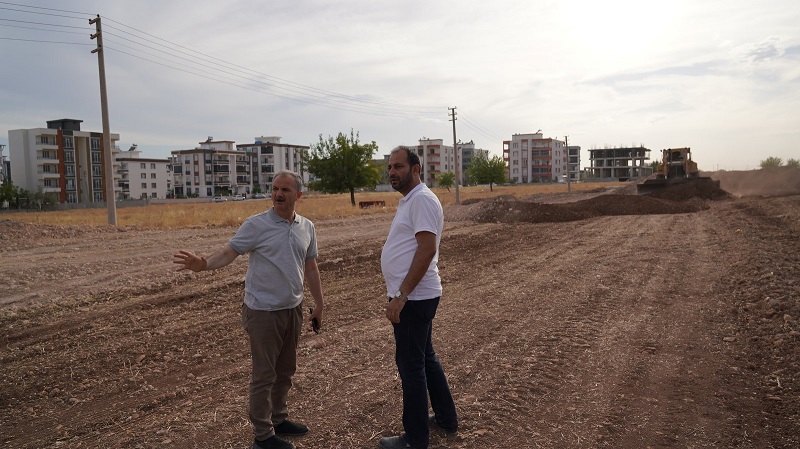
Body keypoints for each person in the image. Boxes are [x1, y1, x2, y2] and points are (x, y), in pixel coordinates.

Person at [173, 170, 324, 449]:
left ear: (299, 196)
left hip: (293, 308)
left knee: (286, 370)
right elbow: (229, 253)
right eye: (275, 188)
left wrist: (320, 303)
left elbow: (311, 266)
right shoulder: (256, 225)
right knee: (264, 375)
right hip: (263, 312)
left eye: (285, 190)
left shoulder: (307, 227)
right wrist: (203, 263)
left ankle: (279, 419)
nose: (278, 194)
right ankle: (263, 436)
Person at [378, 147, 458, 449]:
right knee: (426, 359)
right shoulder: (412, 200)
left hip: (414, 298)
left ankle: (415, 439)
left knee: (411, 368)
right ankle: (447, 420)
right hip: (418, 296)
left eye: (398, 166)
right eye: (389, 168)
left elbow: (426, 250)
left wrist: (401, 295)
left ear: (416, 169)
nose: (392, 172)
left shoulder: (421, 200)